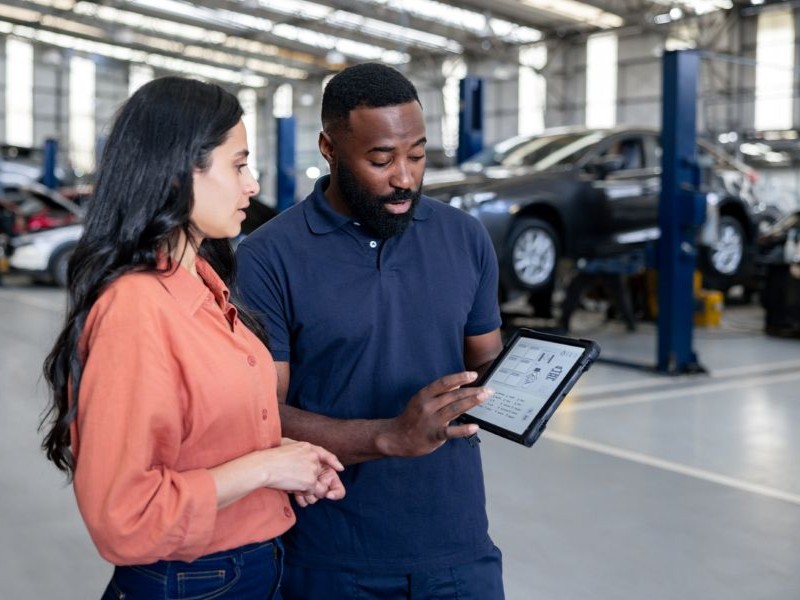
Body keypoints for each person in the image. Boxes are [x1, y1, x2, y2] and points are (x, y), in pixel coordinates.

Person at [40, 76, 345, 599]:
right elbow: (124, 517)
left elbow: (198, 437)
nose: (252, 185)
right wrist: (264, 465)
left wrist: (284, 457)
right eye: (238, 164)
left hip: (248, 567)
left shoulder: (203, 285)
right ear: (181, 172)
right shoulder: (137, 309)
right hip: (194, 581)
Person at [236, 62, 505, 599]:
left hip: (458, 547)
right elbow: (260, 414)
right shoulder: (268, 257)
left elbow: (487, 365)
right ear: (329, 149)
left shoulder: (465, 238)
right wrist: (389, 435)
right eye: (381, 159)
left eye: (417, 154)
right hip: (330, 555)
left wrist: (528, 384)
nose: (404, 176)